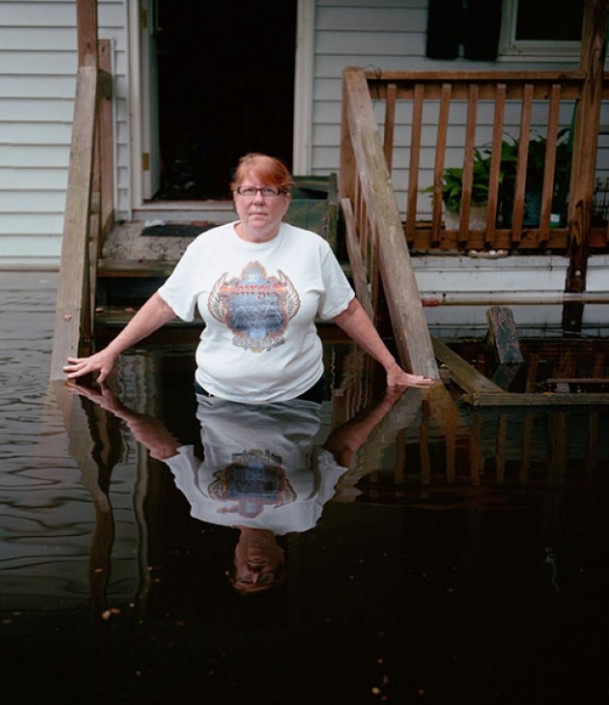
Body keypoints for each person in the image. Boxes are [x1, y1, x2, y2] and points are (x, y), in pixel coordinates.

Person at [64, 153, 434, 400]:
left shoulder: (313, 248)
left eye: (269, 190)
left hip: (299, 397)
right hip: (217, 399)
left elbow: (347, 310)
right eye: (248, 190)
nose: (258, 199)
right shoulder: (206, 247)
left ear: (286, 200)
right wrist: (111, 351)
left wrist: (392, 367)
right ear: (236, 198)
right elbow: (164, 304)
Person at [70, 380, 407, 593]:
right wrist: (388, 399)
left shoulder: (204, 509)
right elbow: (341, 449)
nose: (256, 572)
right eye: (267, 576)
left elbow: (166, 450)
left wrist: (116, 409)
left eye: (246, 577)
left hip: (221, 393)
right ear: (281, 557)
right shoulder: (304, 517)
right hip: (297, 394)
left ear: (235, 559)